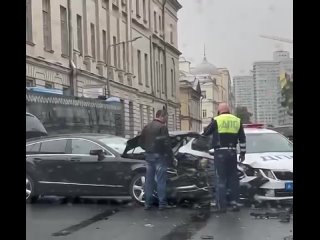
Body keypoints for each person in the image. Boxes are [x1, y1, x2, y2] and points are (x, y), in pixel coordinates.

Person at [203, 103, 246, 213]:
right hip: (232, 152)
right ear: (228, 110)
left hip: (220, 152)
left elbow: (206, 133)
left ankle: (222, 207)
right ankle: (235, 204)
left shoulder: (217, 119)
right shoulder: (237, 120)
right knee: (233, 179)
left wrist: (210, 124)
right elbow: (242, 138)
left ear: (219, 111)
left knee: (221, 179)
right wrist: (243, 153)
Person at [139, 109, 174, 210]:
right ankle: (162, 204)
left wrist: (147, 149)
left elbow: (140, 142)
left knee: (149, 181)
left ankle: (148, 204)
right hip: (160, 156)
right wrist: (171, 157)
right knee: (161, 181)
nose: (166, 120)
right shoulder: (162, 127)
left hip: (149, 156)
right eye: (166, 117)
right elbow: (167, 144)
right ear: (162, 116)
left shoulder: (146, 127)